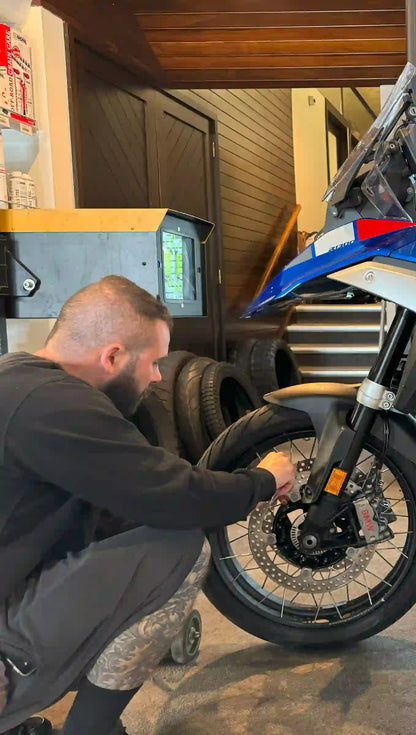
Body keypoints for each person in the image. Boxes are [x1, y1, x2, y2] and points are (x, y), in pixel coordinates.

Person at [0, 276, 297, 735]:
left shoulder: (16, 380)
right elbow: (174, 496)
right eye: (154, 362)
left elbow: (124, 501)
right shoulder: (57, 405)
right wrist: (262, 480)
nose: (159, 376)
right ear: (113, 356)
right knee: (177, 549)